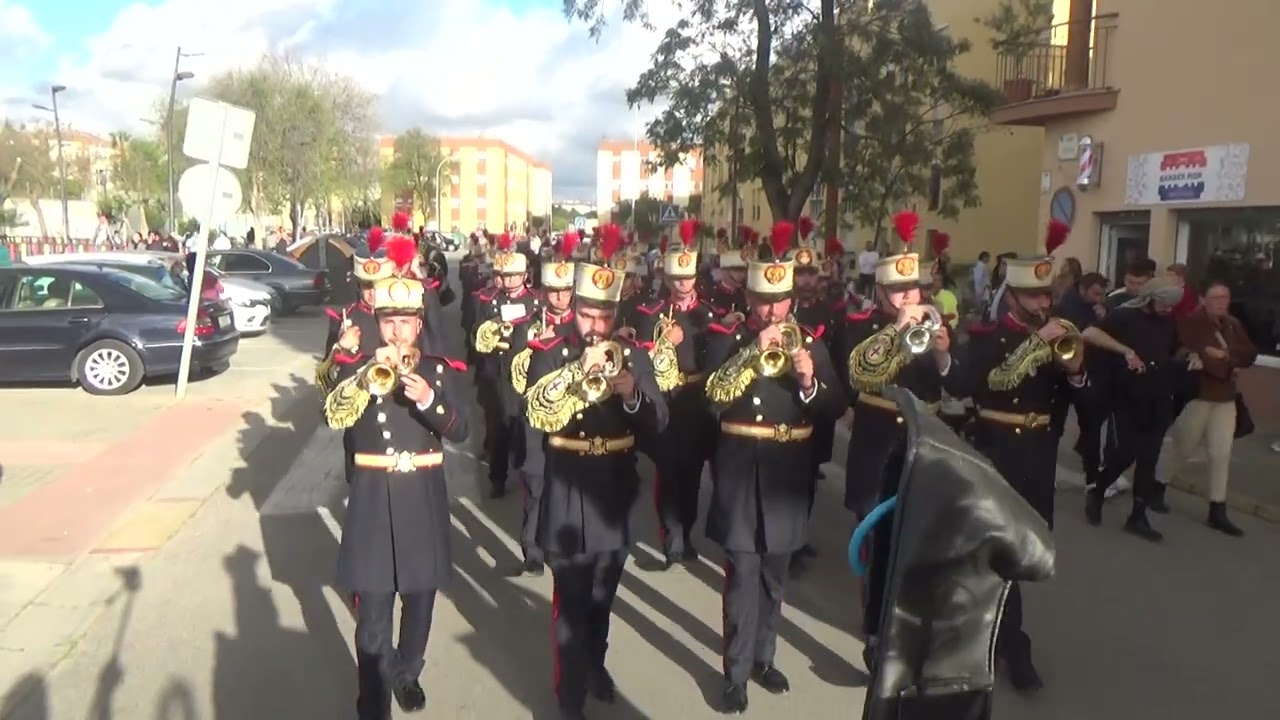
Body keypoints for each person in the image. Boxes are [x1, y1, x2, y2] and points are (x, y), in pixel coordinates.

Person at [521, 226, 668, 720]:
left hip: (614, 495)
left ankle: (596, 666)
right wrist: (574, 373)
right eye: (588, 314)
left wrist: (632, 395)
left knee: (603, 601)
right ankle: (569, 694)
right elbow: (538, 414)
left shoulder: (634, 356)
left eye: (605, 315)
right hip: (567, 492)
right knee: (571, 605)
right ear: (574, 311)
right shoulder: (548, 353)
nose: (596, 325)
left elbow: (659, 422)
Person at [702, 221, 845, 713]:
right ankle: (736, 674)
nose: (772, 310)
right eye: (764, 300)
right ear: (750, 297)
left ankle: (764, 657)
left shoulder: (812, 344)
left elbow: (834, 406)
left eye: (780, 301)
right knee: (742, 577)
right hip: (742, 475)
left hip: (787, 478)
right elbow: (712, 402)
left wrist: (808, 382)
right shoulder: (727, 339)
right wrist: (748, 356)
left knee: (775, 578)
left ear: (791, 300)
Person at [951, 219, 1093, 692]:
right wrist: (1034, 346)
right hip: (996, 456)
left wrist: (1075, 371)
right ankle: (1009, 647)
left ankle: (1000, 639)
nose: (1043, 304)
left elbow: (1089, 409)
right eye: (1033, 297)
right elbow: (970, 384)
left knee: (1017, 561)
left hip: (1037, 460)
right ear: (1011, 296)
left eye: (1047, 295)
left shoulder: (1059, 340)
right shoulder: (988, 337)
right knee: (994, 556)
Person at [319, 276, 469, 720]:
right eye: (389, 322)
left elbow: (461, 431)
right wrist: (364, 375)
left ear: (419, 325)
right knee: (372, 623)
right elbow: (333, 414)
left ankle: (406, 672)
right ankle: (373, 706)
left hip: (421, 497)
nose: (397, 332)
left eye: (406, 322)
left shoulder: (439, 370)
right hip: (372, 500)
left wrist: (427, 399)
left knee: (420, 600)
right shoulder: (357, 368)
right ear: (377, 324)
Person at [836, 210, 959, 663]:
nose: (909, 297)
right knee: (875, 539)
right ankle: (874, 630)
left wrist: (945, 356)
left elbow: (957, 385)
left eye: (914, 289)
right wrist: (897, 330)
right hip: (876, 439)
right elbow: (860, 372)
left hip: (922, 441)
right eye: (898, 290)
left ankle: (911, 627)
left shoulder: (936, 324)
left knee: (919, 538)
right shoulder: (861, 326)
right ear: (881, 294)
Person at [633, 219, 717, 568]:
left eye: (688, 277)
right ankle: (673, 537)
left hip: (696, 402)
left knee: (693, 473)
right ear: (666, 279)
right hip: (666, 401)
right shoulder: (650, 314)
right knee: (668, 471)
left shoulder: (711, 314)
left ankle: (688, 528)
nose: (683, 284)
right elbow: (640, 356)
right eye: (676, 278)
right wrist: (662, 343)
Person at [1082, 276, 1187, 541]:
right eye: (1163, 304)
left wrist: (1190, 355)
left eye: (1171, 306)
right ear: (1150, 298)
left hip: (1160, 396)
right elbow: (1089, 333)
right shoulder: (1123, 316)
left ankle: (1137, 517)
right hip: (1129, 395)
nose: (1167, 310)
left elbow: (1176, 348)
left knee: (1149, 458)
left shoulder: (1168, 320)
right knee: (1125, 453)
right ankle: (1098, 490)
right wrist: (1126, 351)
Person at [510, 229, 580, 575]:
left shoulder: (582, 330)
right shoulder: (527, 326)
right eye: (554, 290)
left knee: (565, 484)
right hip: (535, 419)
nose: (560, 297)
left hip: (571, 417)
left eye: (566, 290)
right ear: (543, 292)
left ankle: (558, 543)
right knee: (536, 483)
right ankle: (532, 548)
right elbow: (514, 371)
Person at [1169, 279, 1256, 536]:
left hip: (1226, 399)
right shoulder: (1193, 323)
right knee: (1183, 447)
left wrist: (1226, 357)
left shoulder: (1233, 324)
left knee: (1221, 454)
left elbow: (1249, 353)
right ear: (1203, 299)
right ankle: (1157, 484)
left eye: (1225, 297)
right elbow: (1196, 356)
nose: (1221, 302)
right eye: (1216, 297)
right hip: (1199, 396)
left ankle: (1217, 510)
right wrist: (1220, 360)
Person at [785, 223, 846, 565]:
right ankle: (787, 540)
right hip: (787, 401)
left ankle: (799, 532)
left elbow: (838, 356)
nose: (805, 279)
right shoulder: (782, 307)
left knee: (808, 476)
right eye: (799, 272)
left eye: (810, 273)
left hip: (819, 399)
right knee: (786, 475)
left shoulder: (831, 312)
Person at [471, 233, 541, 499]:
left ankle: (525, 469)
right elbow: (476, 333)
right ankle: (497, 477)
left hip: (525, 372)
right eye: (506, 275)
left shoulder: (535, 302)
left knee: (524, 426)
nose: (510, 280)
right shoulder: (489, 300)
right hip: (497, 371)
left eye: (515, 275)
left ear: (524, 275)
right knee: (498, 427)